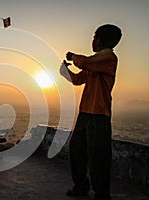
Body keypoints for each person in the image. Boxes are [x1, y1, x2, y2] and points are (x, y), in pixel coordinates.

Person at [59, 24, 122, 200]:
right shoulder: (95, 64)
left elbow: (85, 62)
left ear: (101, 39)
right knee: (76, 148)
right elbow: (79, 79)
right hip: (86, 112)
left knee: (98, 156)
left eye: (94, 37)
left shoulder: (108, 57)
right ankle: (81, 186)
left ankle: (102, 194)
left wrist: (72, 56)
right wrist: (66, 71)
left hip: (99, 114)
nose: (92, 41)